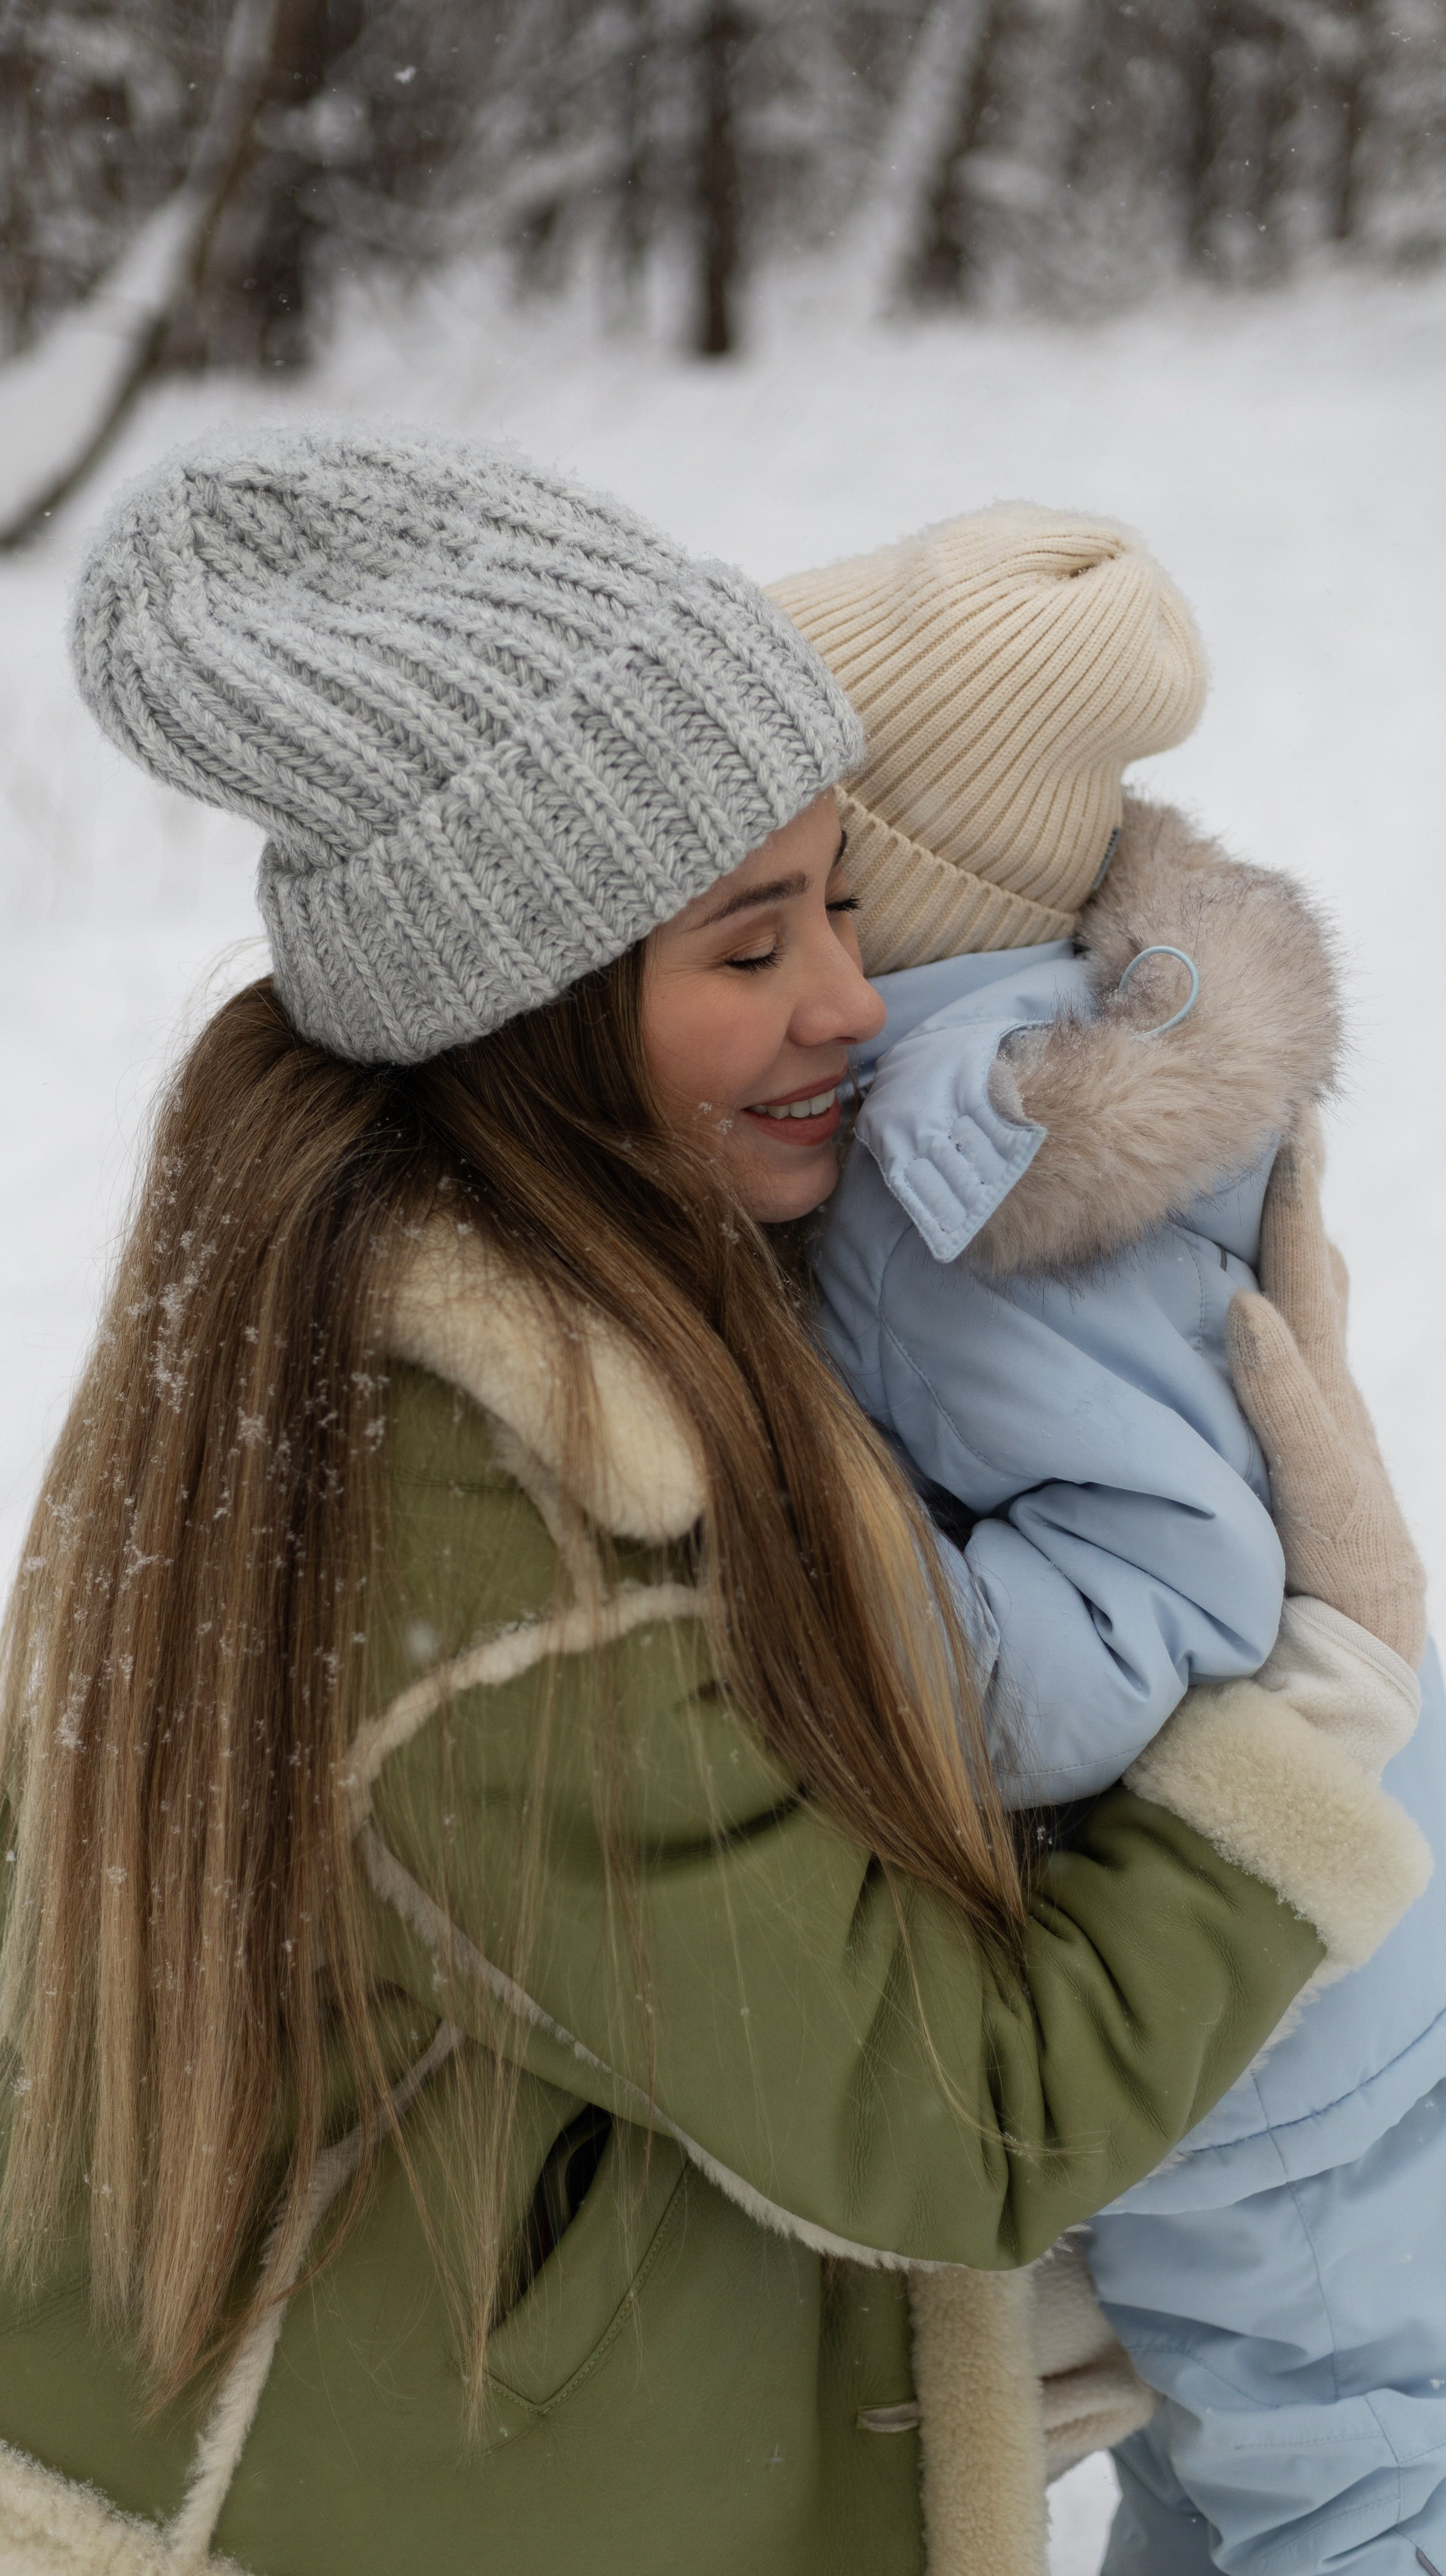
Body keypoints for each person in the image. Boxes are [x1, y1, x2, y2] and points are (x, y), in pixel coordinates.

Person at [0, 426, 1423, 2576]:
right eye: (746, 945)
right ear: (537, 1007)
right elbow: (948, 2118)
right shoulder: (488, 1537)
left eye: (839, 906)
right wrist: (1325, 1697)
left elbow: (628, 2033)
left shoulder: (420, 1303)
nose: (849, 1007)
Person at [774, 506, 1446, 2572]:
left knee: (1325, 2469)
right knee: (1271, 2444)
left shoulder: (953, 1176)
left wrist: (842, 1639)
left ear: (872, 863)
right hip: (1315, 1950)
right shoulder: (1068, 1045)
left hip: (1246, 1987)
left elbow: (1171, 1582)